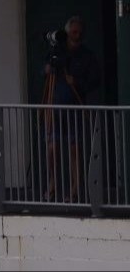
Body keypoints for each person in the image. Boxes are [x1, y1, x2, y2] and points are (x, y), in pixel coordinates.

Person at [43, 16, 98, 202]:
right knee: (52, 146)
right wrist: (47, 70)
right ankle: (52, 184)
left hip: (74, 107)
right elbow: (44, 73)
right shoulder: (57, 54)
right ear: (67, 34)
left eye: (80, 33)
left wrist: (77, 82)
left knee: (74, 148)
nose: (77, 35)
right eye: (74, 32)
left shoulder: (87, 56)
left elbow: (94, 82)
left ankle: (74, 189)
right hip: (55, 106)